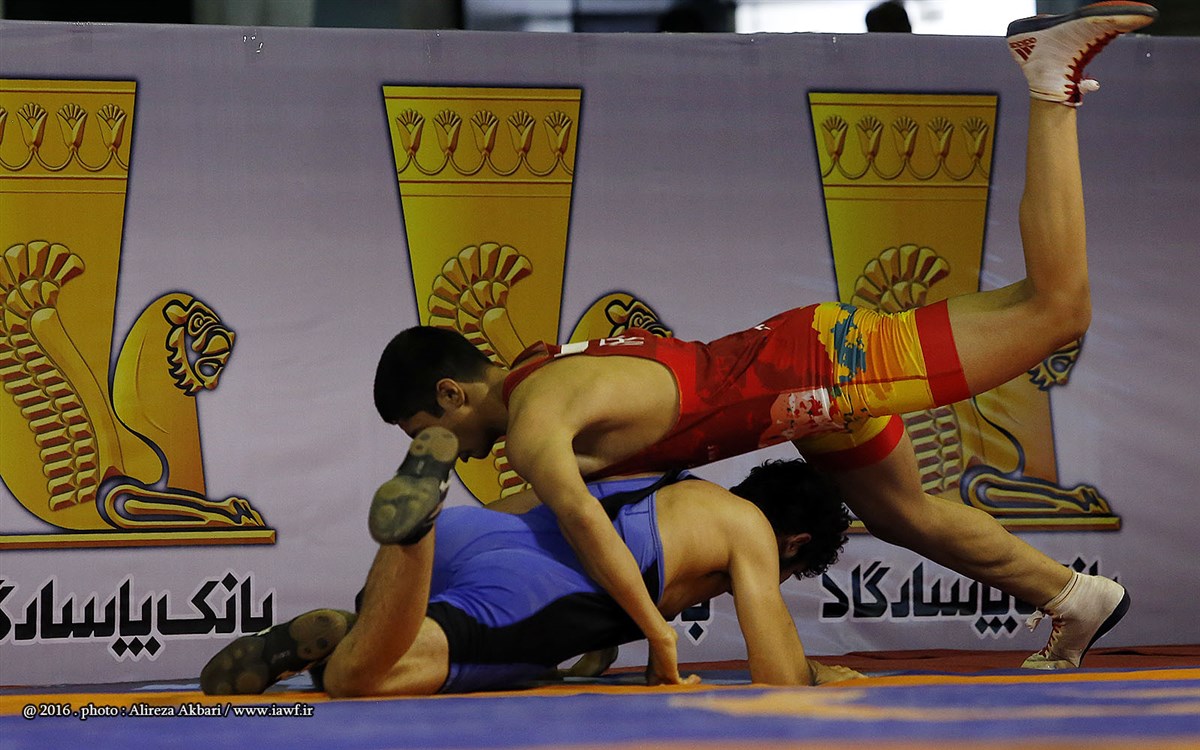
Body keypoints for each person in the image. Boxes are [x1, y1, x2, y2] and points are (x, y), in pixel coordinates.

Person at [370, 3, 1158, 684]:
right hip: (800, 389)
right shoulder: (546, 376)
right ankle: (1074, 597)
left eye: (425, 429)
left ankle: (1048, 79)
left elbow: (587, 532)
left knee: (1057, 309)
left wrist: (654, 636)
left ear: (451, 393)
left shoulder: (537, 423)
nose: (440, 448)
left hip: (819, 369)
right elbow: (531, 528)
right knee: (902, 513)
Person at [201, 431, 862, 695]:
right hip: (527, 588)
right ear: (794, 542)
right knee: (358, 681)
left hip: (477, 531)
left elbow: (564, 514)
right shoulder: (749, 528)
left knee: (384, 639)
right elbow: (777, 679)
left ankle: (388, 582)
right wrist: (815, 674)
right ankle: (412, 536)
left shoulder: (670, 483)